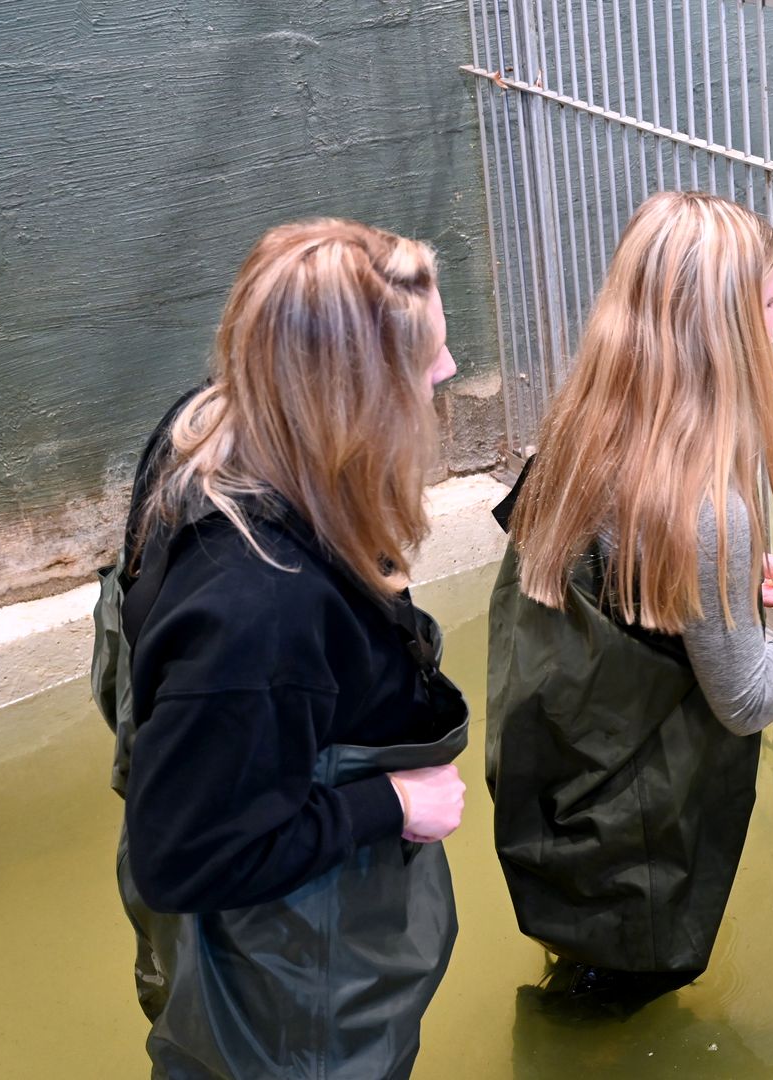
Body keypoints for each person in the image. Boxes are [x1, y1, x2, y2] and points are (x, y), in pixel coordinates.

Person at [486, 190, 773, 1011]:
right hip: (633, 852)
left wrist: (708, 585)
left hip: (555, 807)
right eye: (768, 300)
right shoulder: (704, 511)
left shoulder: (579, 429)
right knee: (607, 1010)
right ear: (719, 327)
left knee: (582, 982)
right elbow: (746, 700)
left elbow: (598, 574)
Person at [89, 219, 473, 1079]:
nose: (448, 373)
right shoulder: (261, 606)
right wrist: (390, 809)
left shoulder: (206, 428)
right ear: (352, 398)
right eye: (428, 361)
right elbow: (183, 856)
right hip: (285, 994)